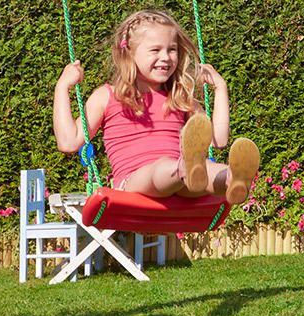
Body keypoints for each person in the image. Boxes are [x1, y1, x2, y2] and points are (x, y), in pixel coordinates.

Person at [53, 10, 259, 204]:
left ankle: (232, 179)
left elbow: (218, 140)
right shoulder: (107, 96)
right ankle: (187, 168)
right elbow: (69, 142)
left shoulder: (178, 97)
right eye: (155, 50)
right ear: (129, 54)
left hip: (180, 184)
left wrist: (220, 88)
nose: (166, 57)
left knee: (206, 169)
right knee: (162, 168)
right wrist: (62, 87)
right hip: (133, 183)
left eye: (172, 50)